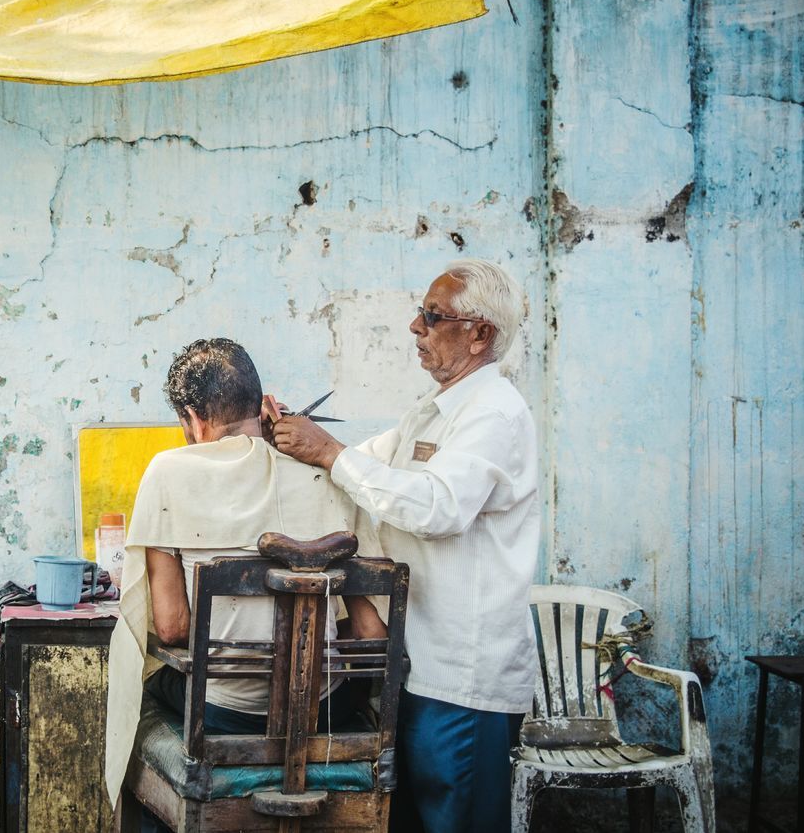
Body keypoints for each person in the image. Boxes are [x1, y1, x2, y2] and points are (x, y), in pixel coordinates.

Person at [272, 258, 538, 833]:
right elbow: (361, 465)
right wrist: (291, 435)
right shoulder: (431, 411)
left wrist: (328, 453)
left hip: (463, 675)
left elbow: (437, 507)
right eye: (419, 313)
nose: (415, 328)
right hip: (416, 663)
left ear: (479, 333)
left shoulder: (494, 413)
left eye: (432, 316)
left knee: (459, 818)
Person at [103, 338, 383, 809]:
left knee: (140, 688)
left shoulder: (168, 472)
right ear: (261, 405)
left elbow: (173, 626)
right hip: (324, 710)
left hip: (223, 714)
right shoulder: (326, 469)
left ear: (191, 417)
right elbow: (372, 629)